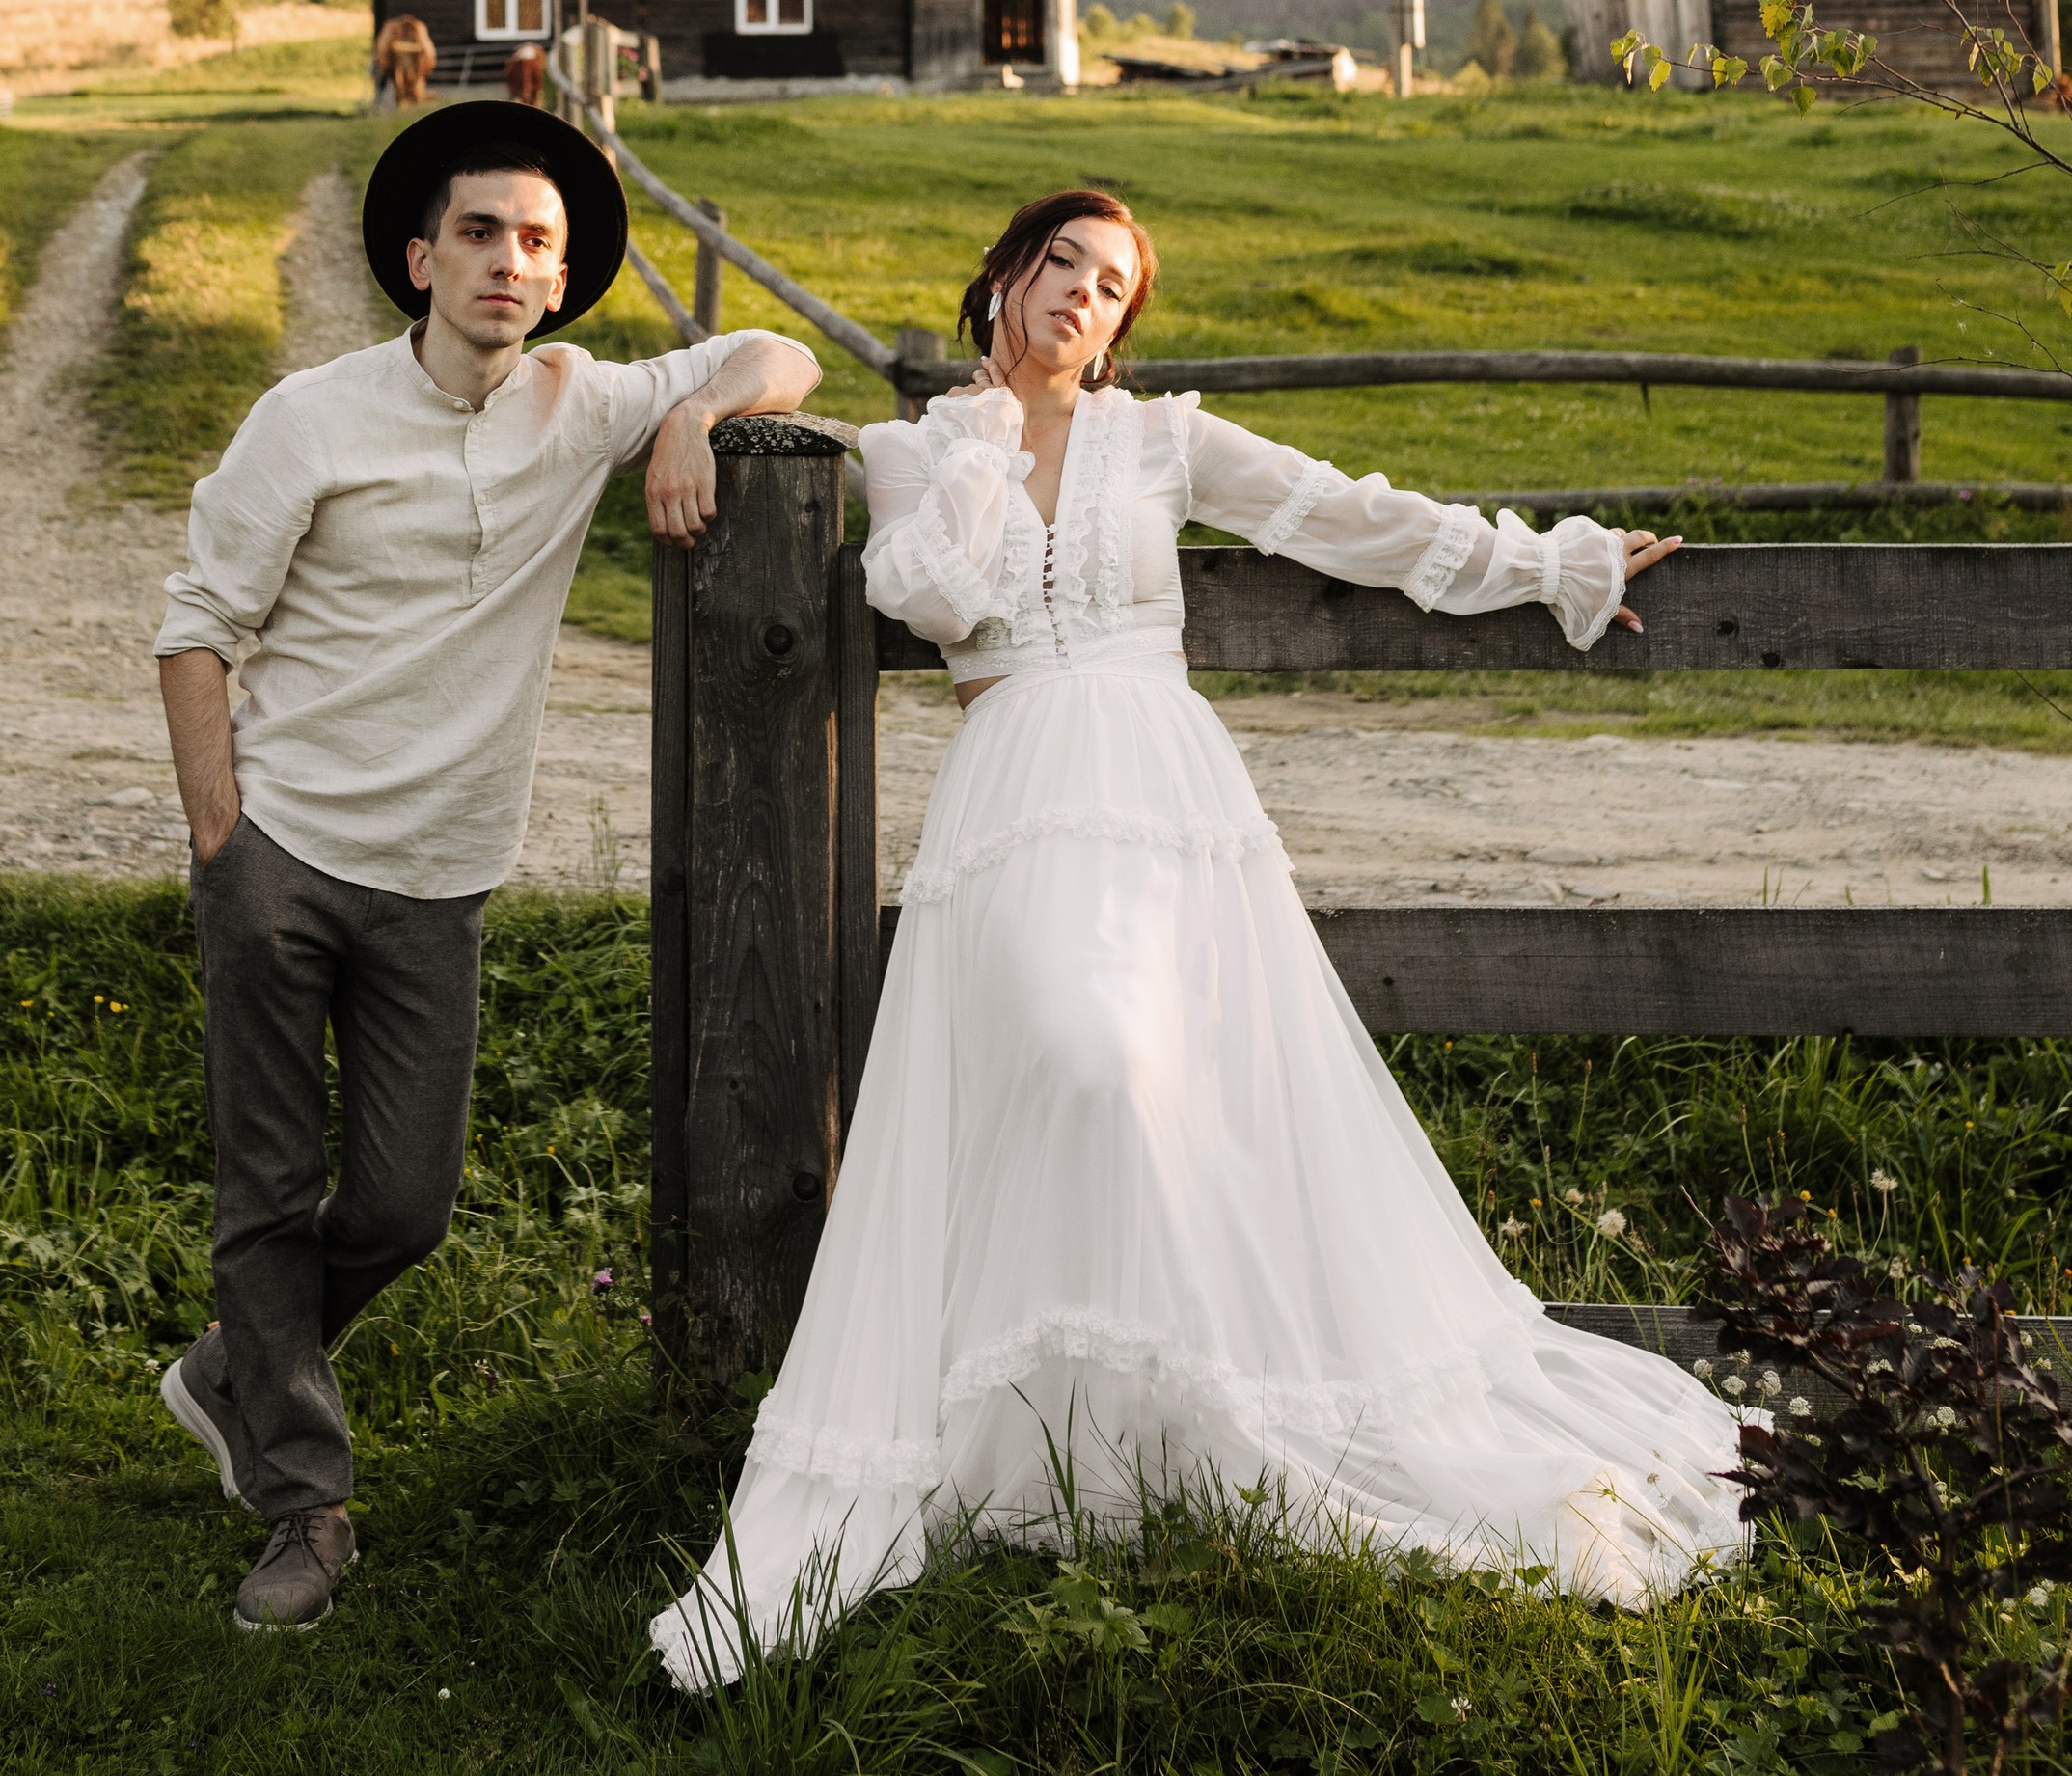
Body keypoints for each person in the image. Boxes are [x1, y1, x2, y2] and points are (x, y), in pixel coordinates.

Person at [650, 185, 1742, 1687]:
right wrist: (971, 454)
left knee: (1157, 1084)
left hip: (1162, 791)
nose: (1083, 300)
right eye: (1063, 268)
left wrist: (1551, 565)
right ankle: (1050, 1431)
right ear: (1006, 276)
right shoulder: (913, 451)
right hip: (1017, 783)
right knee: (1073, 1063)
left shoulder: (1162, 441)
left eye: (1112, 288)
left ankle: (1163, 1426)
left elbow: (1350, 515)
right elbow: (930, 596)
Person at [154, 103, 817, 1632]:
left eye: (538, 242)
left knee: (405, 1204)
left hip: (441, 877)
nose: (510, 262)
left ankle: (230, 1371)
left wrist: (691, 420)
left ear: (561, 277)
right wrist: (221, 841)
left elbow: (779, 354)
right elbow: (198, 625)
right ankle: (305, 1508)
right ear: (419, 257)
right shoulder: (309, 417)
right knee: (269, 1191)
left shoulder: (579, 403)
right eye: (479, 232)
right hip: (284, 857)